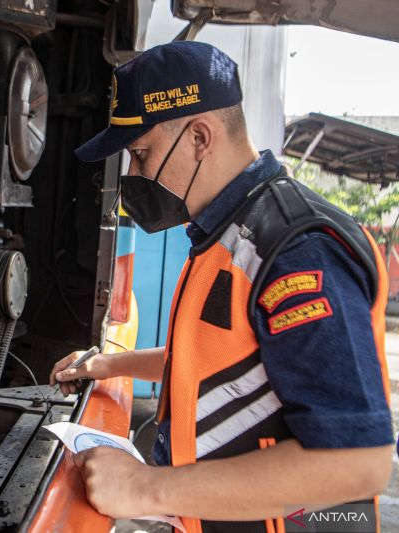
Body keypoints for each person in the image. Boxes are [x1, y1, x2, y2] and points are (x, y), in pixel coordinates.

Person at [49, 41, 393, 533]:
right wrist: (108, 364)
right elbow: (220, 364)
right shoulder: (227, 232)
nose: (134, 175)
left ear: (199, 138)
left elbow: (358, 462)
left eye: (141, 154)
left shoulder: (296, 249)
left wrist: (146, 487)